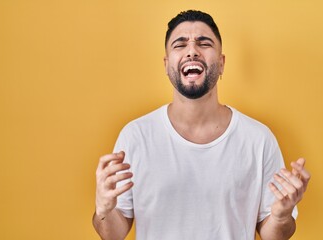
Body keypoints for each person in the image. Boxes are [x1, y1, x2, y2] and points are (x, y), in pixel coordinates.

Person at [92, 10, 311, 240]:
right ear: (167, 65)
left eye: (204, 43)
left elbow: (273, 235)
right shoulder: (135, 137)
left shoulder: (258, 139)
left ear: (222, 63)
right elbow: (112, 235)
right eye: (180, 44)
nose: (192, 51)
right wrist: (104, 210)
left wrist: (280, 217)